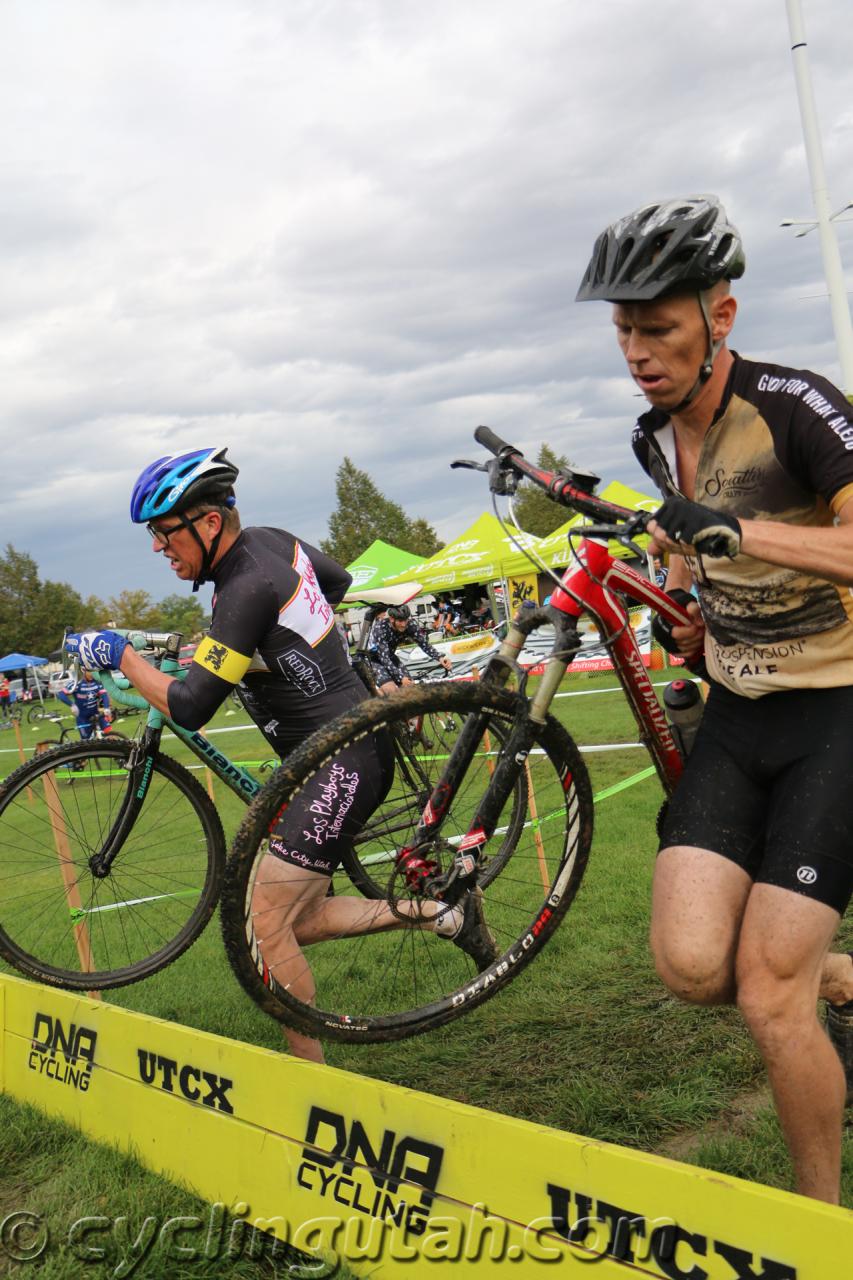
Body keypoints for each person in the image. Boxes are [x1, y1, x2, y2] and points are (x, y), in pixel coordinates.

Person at [577, 194, 853, 1203]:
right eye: (623, 330)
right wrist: (689, 610)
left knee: (769, 997)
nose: (638, 351)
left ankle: (821, 1223)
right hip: (738, 715)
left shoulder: (796, 405)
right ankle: (839, 969)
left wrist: (739, 536)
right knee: (695, 966)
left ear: (718, 318)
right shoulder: (655, 438)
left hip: (838, 708)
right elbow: (698, 561)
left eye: (658, 328)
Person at [65, 448, 497, 1063]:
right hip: (337, 748)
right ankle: (446, 912)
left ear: (207, 523)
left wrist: (122, 656)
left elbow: (190, 705)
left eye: (164, 533)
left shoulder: (244, 587)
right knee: (299, 918)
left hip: (340, 760)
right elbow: (338, 582)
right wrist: (291, 651)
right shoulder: (271, 543)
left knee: (263, 926)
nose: (159, 548)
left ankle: (311, 1081)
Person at [368, 603, 452, 695]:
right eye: (400, 621)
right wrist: (401, 677)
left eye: (405, 620)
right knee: (391, 691)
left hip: (390, 657)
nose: (404, 624)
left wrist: (440, 657)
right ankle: (374, 697)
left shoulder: (410, 625)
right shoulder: (380, 628)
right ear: (392, 619)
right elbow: (384, 658)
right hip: (373, 660)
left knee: (410, 689)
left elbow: (424, 644)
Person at [56, 670, 113, 739]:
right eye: (90, 671)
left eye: (94, 672)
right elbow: (60, 694)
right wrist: (72, 705)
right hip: (82, 718)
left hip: (96, 715)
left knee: (110, 734)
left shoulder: (97, 682)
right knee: (86, 742)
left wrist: (106, 707)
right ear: (84, 671)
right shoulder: (77, 684)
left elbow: (104, 695)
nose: (92, 674)